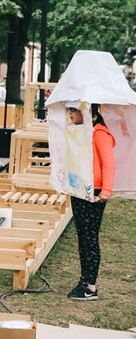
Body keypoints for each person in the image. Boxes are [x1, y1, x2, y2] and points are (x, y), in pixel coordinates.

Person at [66, 104, 115, 301]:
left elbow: (108, 163)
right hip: (79, 188)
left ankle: (91, 286)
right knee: (82, 236)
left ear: (88, 112)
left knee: (90, 237)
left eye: (73, 110)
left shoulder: (100, 133)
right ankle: (84, 280)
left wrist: (106, 190)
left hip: (94, 191)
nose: (70, 113)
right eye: (69, 110)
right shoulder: (81, 134)